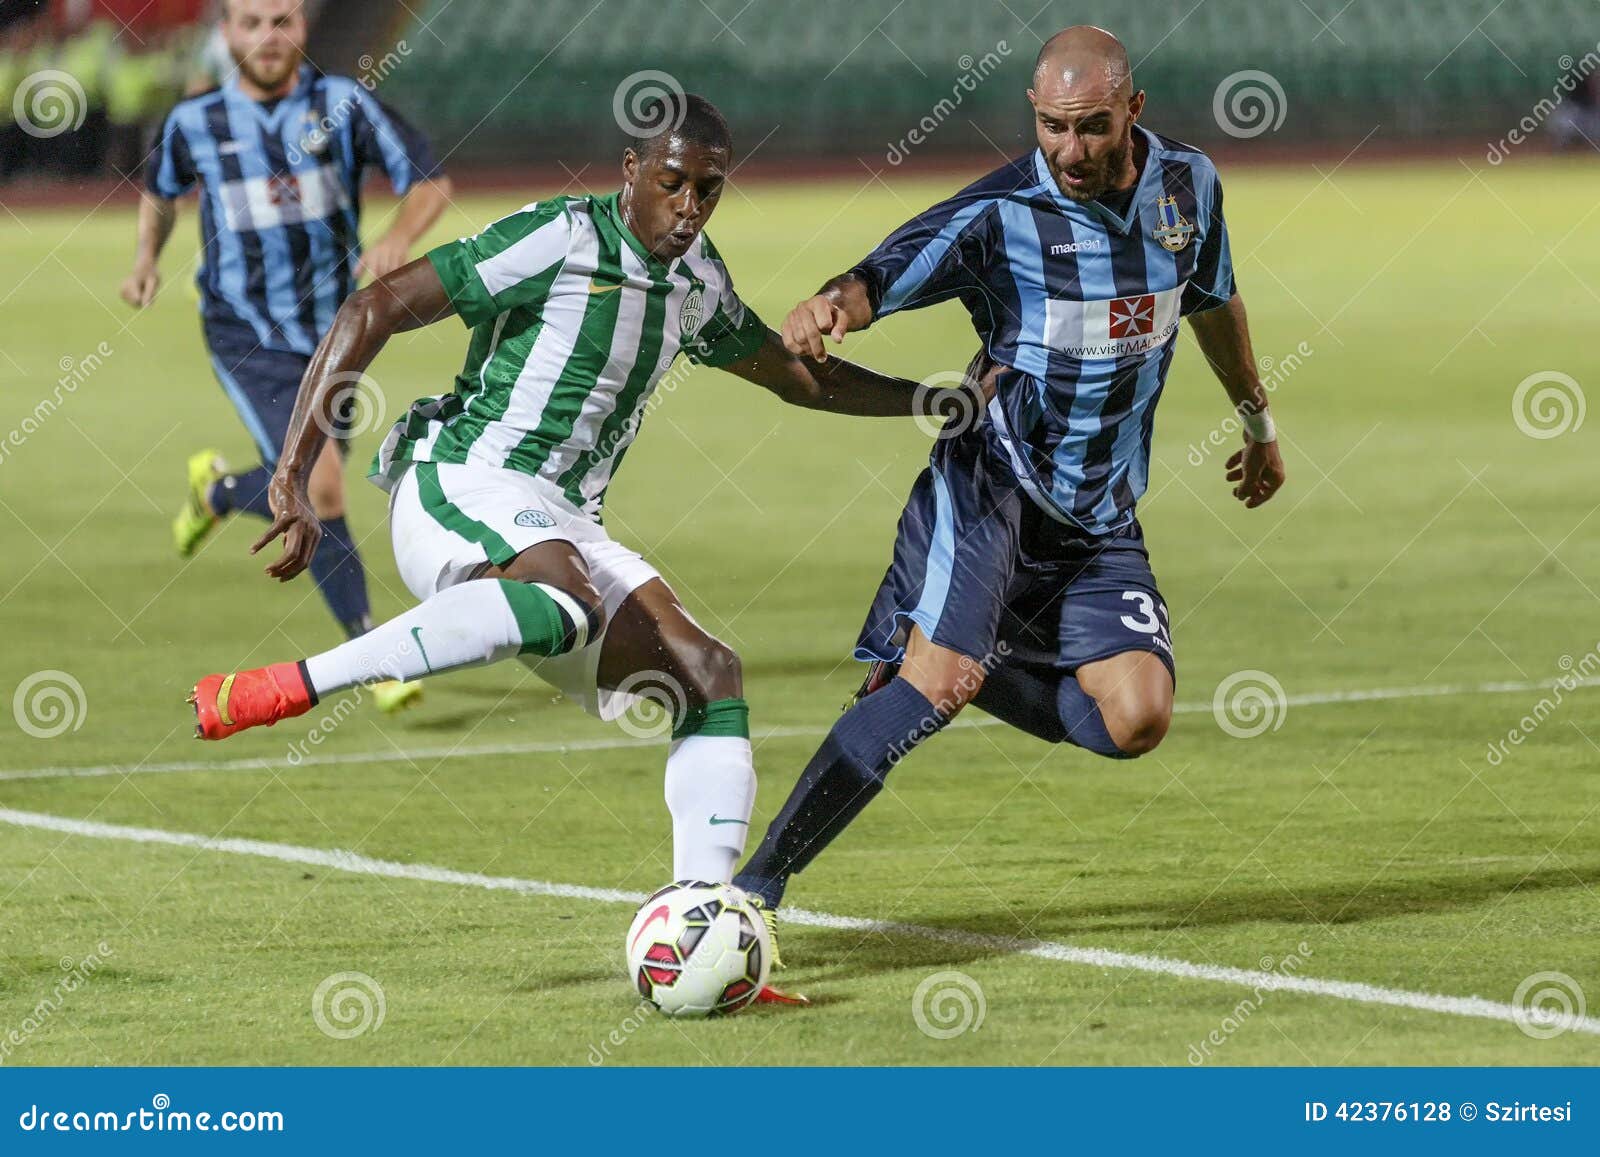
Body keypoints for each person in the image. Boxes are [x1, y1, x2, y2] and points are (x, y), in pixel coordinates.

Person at [183, 95, 963, 988]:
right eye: (673, 183)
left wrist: (929, 400)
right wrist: (294, 466)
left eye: (709, 190)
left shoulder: (698, 280)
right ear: (632, 174)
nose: (690, 207)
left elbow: (796, 379)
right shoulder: (558, 236)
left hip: (561, 515)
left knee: (710, 677)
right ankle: (292, 684)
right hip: (460, 479)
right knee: (563, 600)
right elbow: (377, 305)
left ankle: (699, 936)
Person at [731, 27, 1289, 945]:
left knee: (1137, 717)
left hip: (1100, 515)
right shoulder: (1002, 212)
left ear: (1133, 111)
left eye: (1092, 127)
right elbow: (883, 271)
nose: (1069, 150)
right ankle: (753, 889)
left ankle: (959, 657)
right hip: (992, 484)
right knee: (934, 686)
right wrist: (832, 305)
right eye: (1051, 127)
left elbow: (1214, 298)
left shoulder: (1189, 187)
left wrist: (1258, 421)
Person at [121, 0, 452, 717]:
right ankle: (374, 654)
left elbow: (430, 181)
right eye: (251, 23)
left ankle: (216, 493)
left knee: (306, 482)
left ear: (303, 28)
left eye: (282, 21)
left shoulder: (344, 106)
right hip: (247, 333)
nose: (268, 38)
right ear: (226, 35)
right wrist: (146, 258)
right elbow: (161, 190)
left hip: (335, 335)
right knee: (323, 489)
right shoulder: (195, 123)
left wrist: (398, 236)